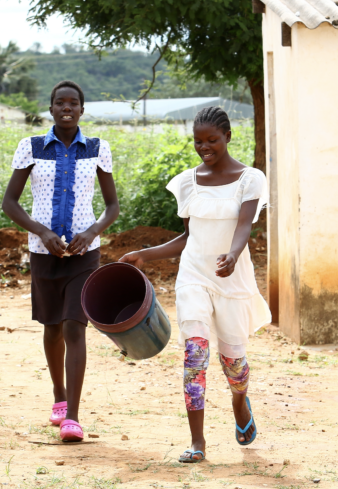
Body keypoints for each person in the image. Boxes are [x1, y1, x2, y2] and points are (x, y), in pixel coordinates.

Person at [119, 106, 270, 462]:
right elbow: (187, 237)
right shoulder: (189, 181)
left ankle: (239, 402)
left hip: (231, 279)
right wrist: (145, 253)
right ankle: (198, 442)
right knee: (195, 355)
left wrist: (232, 256)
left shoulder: (251, 179)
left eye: (212, 140)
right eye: (198, 141)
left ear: (228, 137)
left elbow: (245, 226)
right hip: (193, 277)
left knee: (234, 363)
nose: (204, 147)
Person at [2, 80, 119, 442]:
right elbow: (10, 202)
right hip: (43, 253)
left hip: (85, 255)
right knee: (52, 327)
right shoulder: (31, 147)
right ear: (50, 109)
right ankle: (58, 394)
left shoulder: (98, 149)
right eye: (59, 103)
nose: (66, 108)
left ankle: (73, 416)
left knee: (74, 326)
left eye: (73, 103)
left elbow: (112, 206)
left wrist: (92, 231)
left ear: (82, 110)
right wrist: (42, 232)